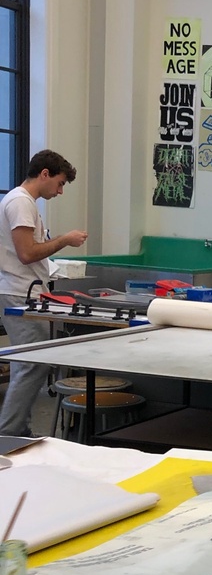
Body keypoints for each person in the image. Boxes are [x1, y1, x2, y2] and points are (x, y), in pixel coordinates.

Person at [0, 151, 87, 436]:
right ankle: (9, 433)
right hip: (18, 294)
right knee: (32, 365)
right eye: (60, 183)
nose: (60, 191)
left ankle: (18, 431)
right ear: (45, 174)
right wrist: (65, 240)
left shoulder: (25, 204)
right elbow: (26, 253)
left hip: (27, 291)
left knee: (28, 364)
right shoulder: (20, 202)